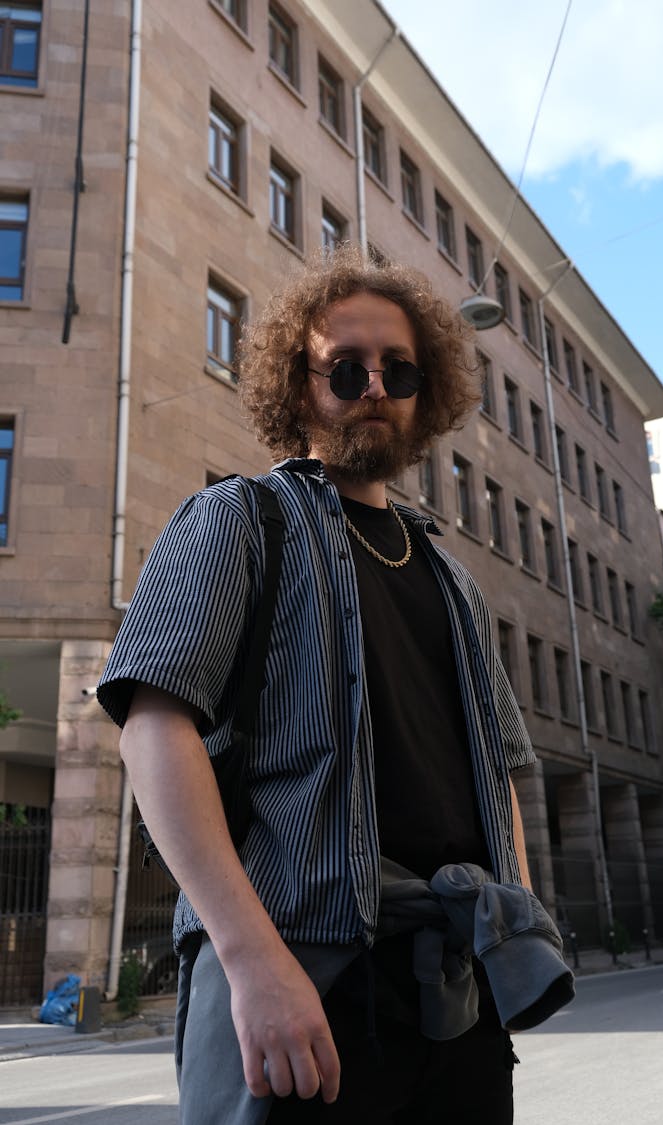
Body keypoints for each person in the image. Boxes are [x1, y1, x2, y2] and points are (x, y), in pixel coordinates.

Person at [98, 246, 550, 1124]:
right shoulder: (237, 519)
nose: (374, 385)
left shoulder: (454, 579)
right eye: (345, 367)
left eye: (399, 368)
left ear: (428, 392)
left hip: (453, 988)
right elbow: (152, 728)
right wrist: (254, 961)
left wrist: (515, 934)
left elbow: (496, 773)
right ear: (298, 384)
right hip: (298, 975)